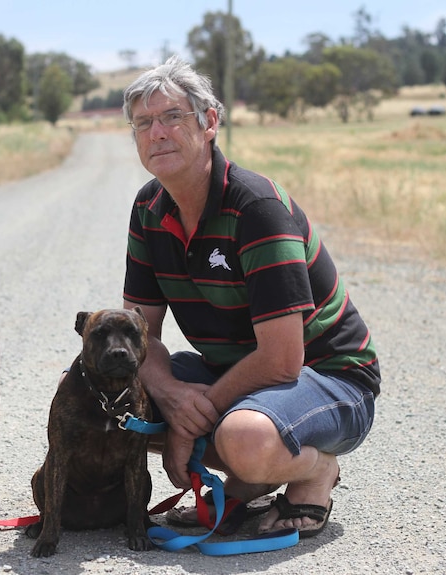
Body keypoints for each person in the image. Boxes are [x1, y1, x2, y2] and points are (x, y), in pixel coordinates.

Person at [120, 56, 381, 538]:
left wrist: (189, 420)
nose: (157, 132)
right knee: (102, 389)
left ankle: (311, 469)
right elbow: (138, 333)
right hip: (242, 375)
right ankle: (250, 477)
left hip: (331, 378)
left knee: (243, 437)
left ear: (210, 122)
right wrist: (173, 396)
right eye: (143, 123)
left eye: (172, 117)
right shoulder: (148, 208)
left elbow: (283, 360)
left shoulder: (256, 207)